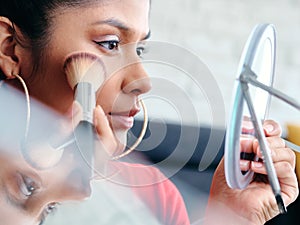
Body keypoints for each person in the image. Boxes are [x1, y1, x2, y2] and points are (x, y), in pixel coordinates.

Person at [0, 0, 298, 225]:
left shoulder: (154, 196)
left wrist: (233, 215)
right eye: (110, 44)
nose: (143, 82)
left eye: (139, 50)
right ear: (10, 49)